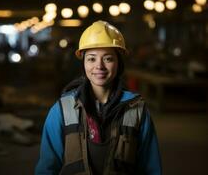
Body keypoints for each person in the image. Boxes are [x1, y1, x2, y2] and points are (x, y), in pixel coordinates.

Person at [35, 20, 162, 175]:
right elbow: (47, 168)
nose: (99, 66)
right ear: (83, 63)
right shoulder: (62, 110)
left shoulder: (137, 110)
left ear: (119, 63)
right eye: (91, 59)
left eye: (108, 58)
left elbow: (151, 168)